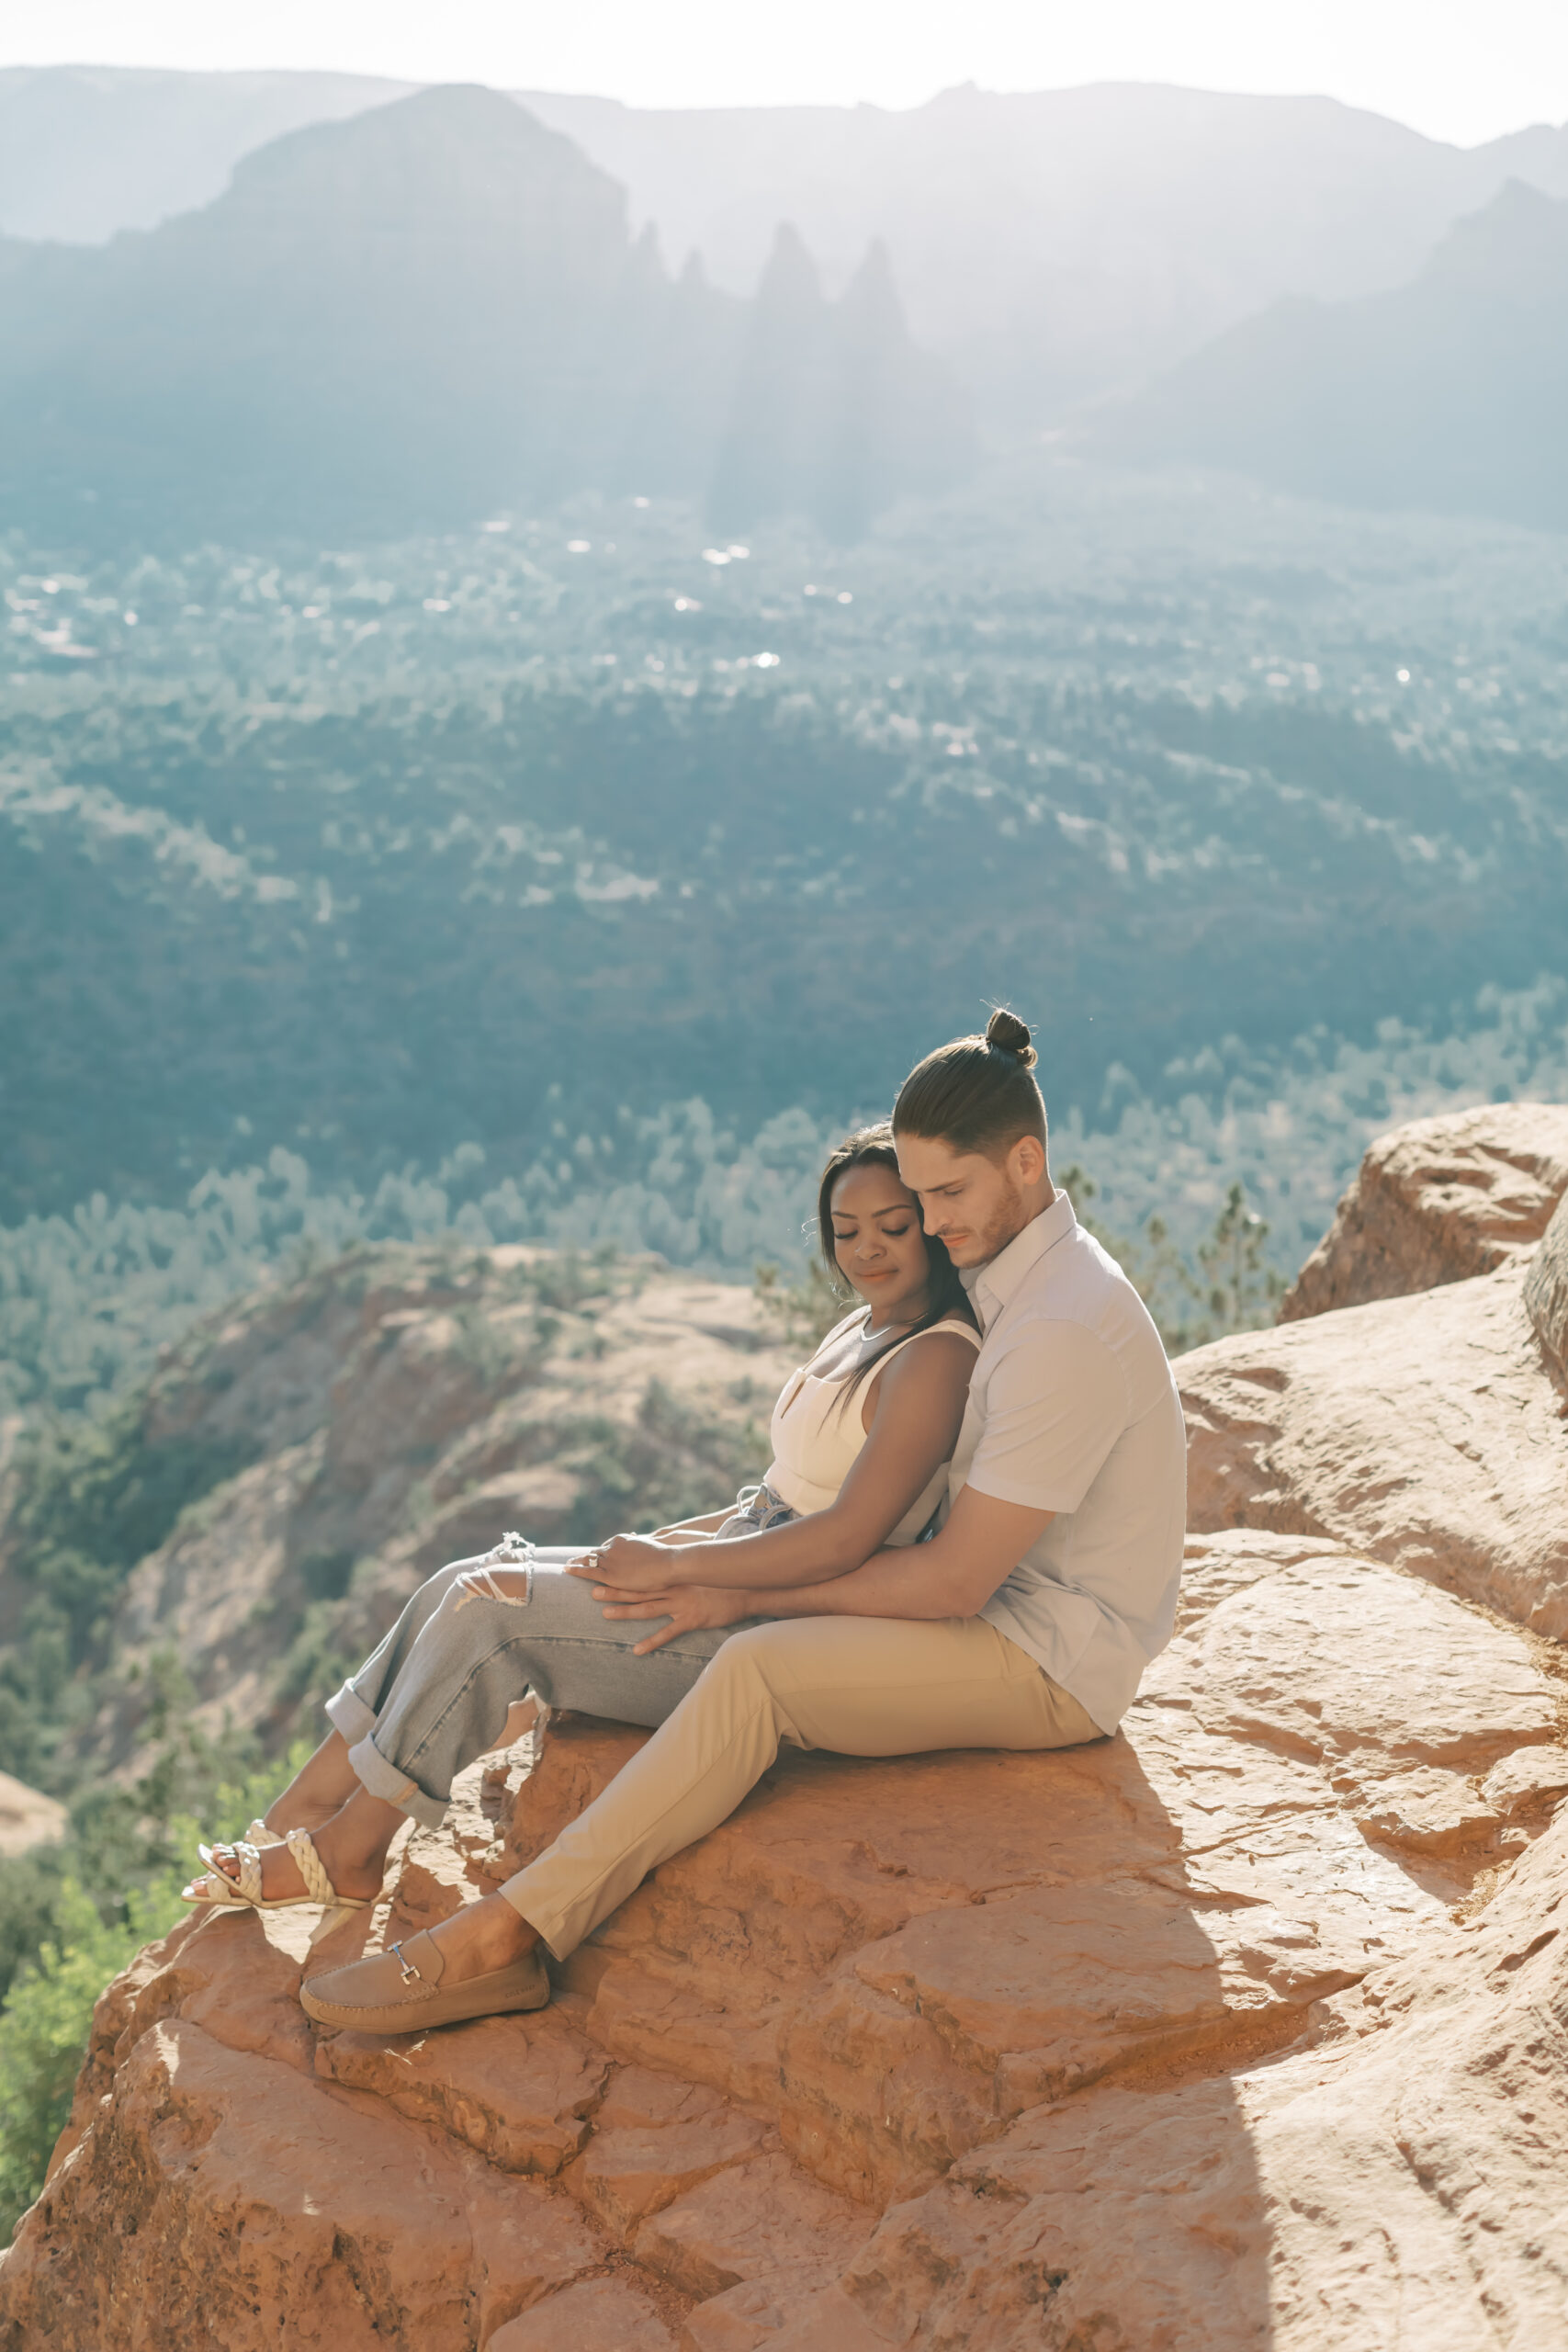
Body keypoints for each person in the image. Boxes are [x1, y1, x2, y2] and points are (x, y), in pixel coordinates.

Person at [225, 1011, 1187, 2039]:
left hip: (1046, 1654)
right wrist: (703, 1557)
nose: (930, 1220)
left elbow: (953, 1582)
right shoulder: (1011, 1283)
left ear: (1028, 1161)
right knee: (510, 1581)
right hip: (988, 1602)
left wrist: (737, 1587)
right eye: (917, 1197)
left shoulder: (1059, 1323)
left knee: (754, 1669)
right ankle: (310, 1831)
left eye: (945, 1196)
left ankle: (508, 1937)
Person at [183, 1121, 982, 1917]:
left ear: (935, 1227)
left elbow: (844, 1537)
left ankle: (352, 1849)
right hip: (734, 1564)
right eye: (845, 1231)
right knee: (461, 1577)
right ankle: (300, 1813)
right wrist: (649, 1549)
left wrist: (672, 1570)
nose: (866, 1249)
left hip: (768, 1628)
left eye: (893, 1227)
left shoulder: (936, 1358)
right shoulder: (867, 1327)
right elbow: (774, 1497)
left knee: (493, 1614)